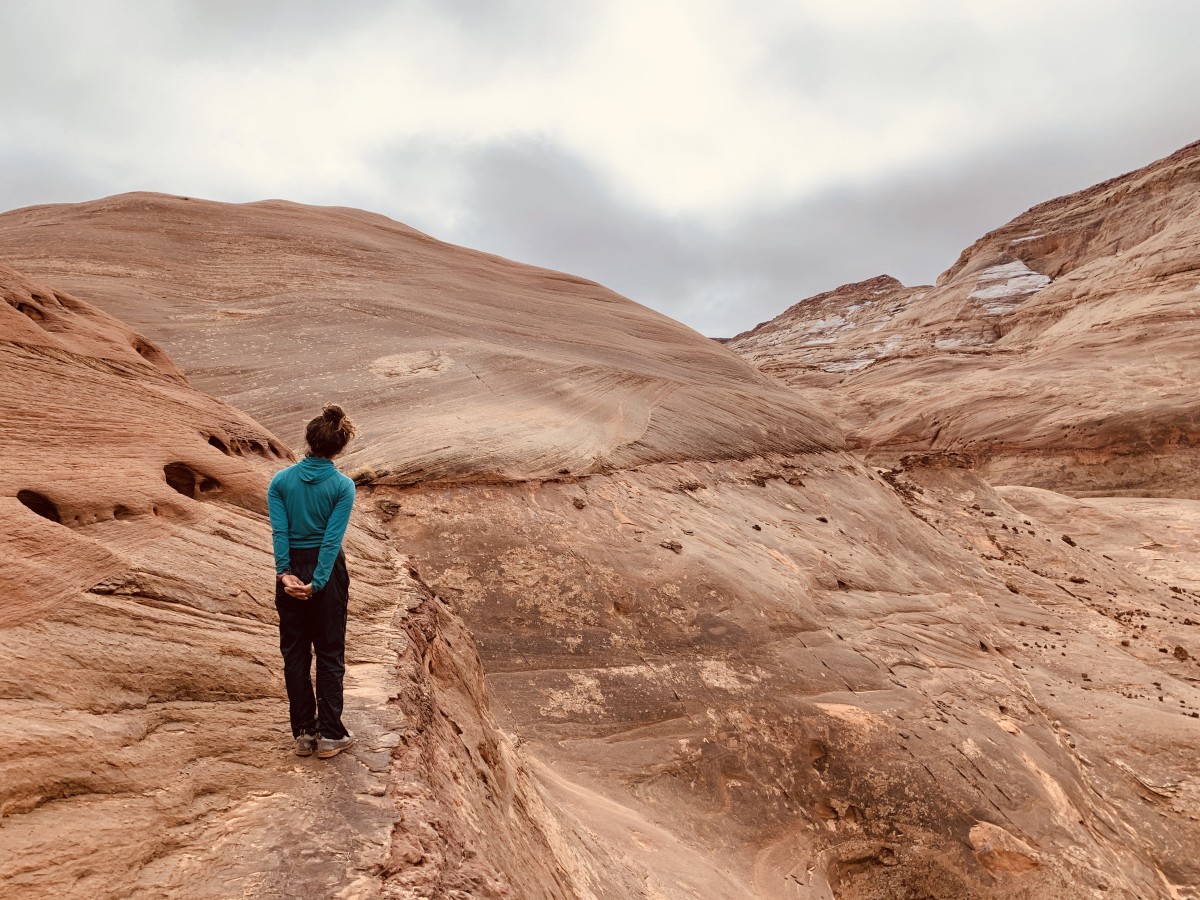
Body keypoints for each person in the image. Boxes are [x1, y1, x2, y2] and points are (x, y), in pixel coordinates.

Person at [267, 403, 358, 758]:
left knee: (295, 652)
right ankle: (332, 734)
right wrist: (318, 582)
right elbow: (331, 539)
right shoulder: (342, 486)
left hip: (291, 571)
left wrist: (285, 573)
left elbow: (280, 530)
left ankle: (304, 733)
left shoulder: (281, 481)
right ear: (341, 447)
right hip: (327, 572)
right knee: (330, 652)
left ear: (307, 440)